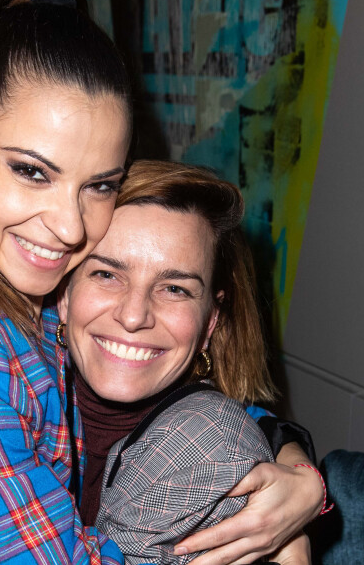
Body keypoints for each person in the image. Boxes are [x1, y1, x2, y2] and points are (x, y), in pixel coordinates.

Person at [0, 0, 325, 563]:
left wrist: (297, 466)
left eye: (99, 185)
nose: (68, 228)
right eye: (31, 171)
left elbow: (184, 410)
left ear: (213, 317)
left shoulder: (18, 282)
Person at [57, 160, 319, 563]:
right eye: (107, 274)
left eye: (175, 288)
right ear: (64, 294)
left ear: (210, 322)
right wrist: (308, 478)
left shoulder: (205, 457)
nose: (133, 315)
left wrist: (303, 481)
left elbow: (236, 425)